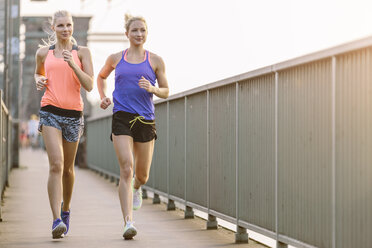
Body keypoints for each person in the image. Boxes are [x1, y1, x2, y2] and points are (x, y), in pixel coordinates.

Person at [97, 14, 169, 240]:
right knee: (126, 168)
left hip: (145, 119)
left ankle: (137, 188)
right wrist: (103, 96)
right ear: (126, 34)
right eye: (135, 30)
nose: (139, 34)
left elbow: (166, 90)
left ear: (147, 34)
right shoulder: (116, 58)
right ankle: (128, 221)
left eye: (143, 30)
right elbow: (101, 76)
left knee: (142, 175)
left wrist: (153, 89)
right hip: (122, 116)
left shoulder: (155, 60)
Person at [34, 10, 93, 239]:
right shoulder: (43, 53)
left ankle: (65, 209)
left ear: (72, 27)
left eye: (68, 25)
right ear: (53, 28)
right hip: (50, 111)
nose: (65, 29)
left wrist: (73, 65)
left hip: (73, 114)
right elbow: (38, 74)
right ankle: (56, 220)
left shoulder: (82, 52)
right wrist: (38, 79)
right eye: (60, 26)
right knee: (56, 165)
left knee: (68, 169)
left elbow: (88, 85)